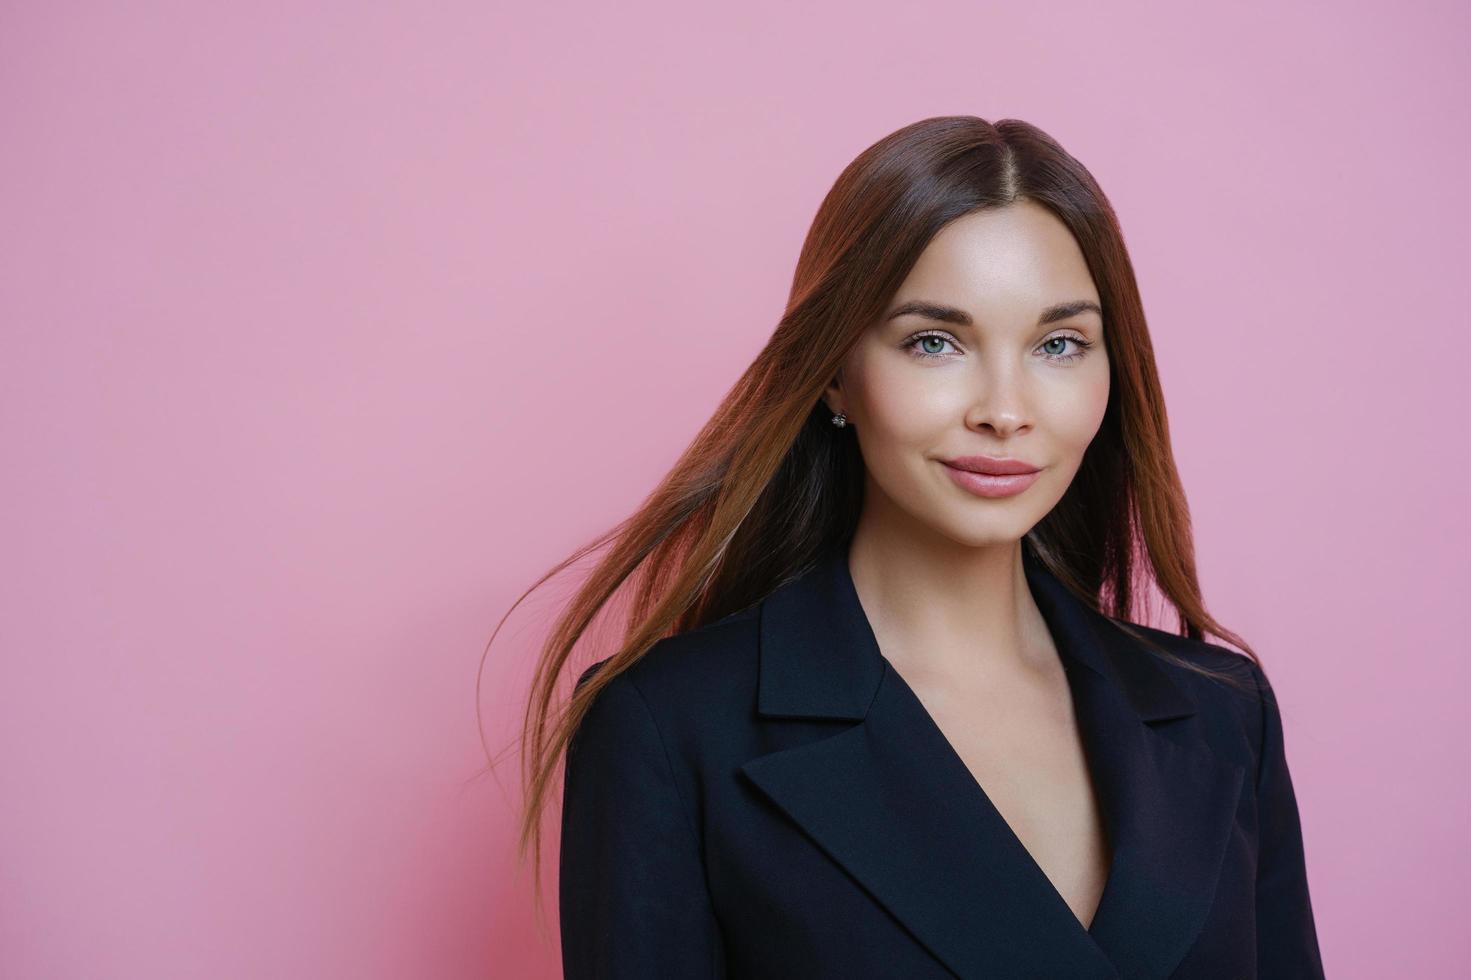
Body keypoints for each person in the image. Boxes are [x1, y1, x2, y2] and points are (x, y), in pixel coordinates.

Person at [507, 115, 1325, 978]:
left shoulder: (1221, 712)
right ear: (833, 373)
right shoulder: (668, 729)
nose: (1004, 410)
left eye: (1058, 344)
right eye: (933, 341)